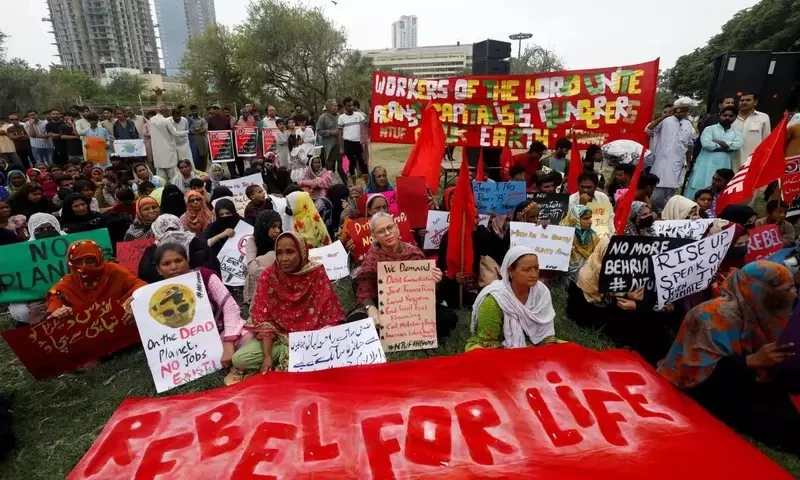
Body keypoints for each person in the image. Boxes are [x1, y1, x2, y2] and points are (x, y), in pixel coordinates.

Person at [657, 262, 800, 454]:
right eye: (787, 289)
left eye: (793, 287)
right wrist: (752, 362)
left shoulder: (771, 315)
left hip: (748, 382)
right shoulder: (709, 318)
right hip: (709, 391)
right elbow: (693, 378)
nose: (793, 294)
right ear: (759, 291)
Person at [233, 231, 344, 373]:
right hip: (279, 338)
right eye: (279, 252)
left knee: (333, 345)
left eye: (290, 252)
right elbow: (264, 320)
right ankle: (289, 354)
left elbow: (330, 314)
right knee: (240, 359)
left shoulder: (316, 273)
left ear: (302, 252)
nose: (283, 258)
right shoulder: (269, 276)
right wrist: (267, 356)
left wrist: (315, 340)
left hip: (312, 339)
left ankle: (295, 356)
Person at [356, 212, 458, 339]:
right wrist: (371, 308)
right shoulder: (372, 257)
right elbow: (364, 288)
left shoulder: (414, 252)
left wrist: (435, 280)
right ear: (374, 236)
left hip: (414, 307)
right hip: (385, 308)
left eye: (390, 228)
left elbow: (427, 289)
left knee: (449, 317)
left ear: (397, 229)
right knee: (359, 322)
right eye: (381, 231)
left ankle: (407, 330)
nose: (387, 233)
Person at [466, 246, 556, 351]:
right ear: (510, 271)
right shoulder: (495, 299)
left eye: (536, 268)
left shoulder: (542, 292)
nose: (534, 274)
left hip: (533, 343)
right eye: (526, 270)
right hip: (497, 347)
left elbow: (546, 336)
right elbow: (489, 342)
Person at [45, 240, 146, 325]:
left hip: (120, 325)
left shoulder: (113, 271)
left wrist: (135, 304)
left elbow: (141, 287)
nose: (84, 266)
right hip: (85, 336)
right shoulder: (65, 285)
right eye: (77, 262)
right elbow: (53, 306)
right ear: (70, 264)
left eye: (89, 261)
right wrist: (57, 313)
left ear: (99, 259)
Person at [8, 213, 64, 327]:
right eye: (40, 229)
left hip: (67, 289)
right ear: (33, 230)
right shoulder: (24, 252)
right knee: (19, 311)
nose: (46, 232)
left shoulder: (68, 242)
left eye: (50, 228)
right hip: (37, 295)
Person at [684, 105, 742, 200]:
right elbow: (707, 144)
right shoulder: (709, 129)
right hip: (705, 165)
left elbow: (737, 145)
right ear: (720, 115)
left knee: (719, 190)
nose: (727, 118)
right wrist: (727, 147)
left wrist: (718, 142)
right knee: (698, 187)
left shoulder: (737, 133)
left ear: (735, 117)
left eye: (731, 116)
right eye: (724, 115)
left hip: (723, 165)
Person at [647, 98, 694, 212]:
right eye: (679, 109)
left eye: (685, 110)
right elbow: (649, 129)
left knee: (672, 191)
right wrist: (665, 116)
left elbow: (689, 144)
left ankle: (666, 213)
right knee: (657, 189)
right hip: (661, 161)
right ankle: (653, 211)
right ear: (675, 109)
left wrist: (688, 161)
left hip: (678, 163)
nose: (681, 112)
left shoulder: (688, 124)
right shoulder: (665, 121)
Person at [138, 215, 209, 283]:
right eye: (165, 231)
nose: (170, 234)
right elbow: (145, 274)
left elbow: (210, 265)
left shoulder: (195, 242)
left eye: (174, 229)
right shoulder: (152, 250)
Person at [244, 210, 282, 306]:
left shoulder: (282, 239)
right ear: (264, 227)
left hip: (281, 280)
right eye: (273, 227)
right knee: (267, 257)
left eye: (279, 227)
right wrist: (275, 275)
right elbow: (252, 268)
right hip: (261, 281)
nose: (277, 230)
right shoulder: (253, 241)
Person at [731, 93, 772, 173]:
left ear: (755, 102)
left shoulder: (763, 117)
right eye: (742, 100)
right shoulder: (731, 117)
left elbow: (767, 140)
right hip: (733, 160)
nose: (744, 102)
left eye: (748, 100)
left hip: (754, 160)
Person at [560, 205, 599, 281]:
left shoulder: (593, 236)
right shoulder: (562, 235)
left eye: (590, 218)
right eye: (586, 218)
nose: (590, 221)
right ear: (575, 219)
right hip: (565, 279)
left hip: (589, 278)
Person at [338, 97, 368, 175]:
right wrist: (341, 148)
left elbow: (367, 124)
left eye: (352, 105)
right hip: (347, 142)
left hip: (357, 142)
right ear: (345, 106)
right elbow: (340, 133)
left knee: (361, 160)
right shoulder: (341, 118)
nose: (351, 107)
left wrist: (371, 114)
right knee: (351, 161)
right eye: (349, 106)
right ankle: (353, 181)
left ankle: (367, 180)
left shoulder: (358, 115)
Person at [149, 106, 180, 182]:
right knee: (173, 175)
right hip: (168, 151)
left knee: (161, 176)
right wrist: (185, 132)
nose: (169, 113)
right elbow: (175, 133)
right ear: (164, 112)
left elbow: (150, 133)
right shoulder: (165, 121)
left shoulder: (151, 120)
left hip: (157, 152)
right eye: (168, 111)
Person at [316, 99, 342, 181]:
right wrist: (330, 132)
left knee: (342, 165)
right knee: (330, 167)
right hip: (329, 146)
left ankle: (345, 181)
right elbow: (319, 130)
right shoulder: (322, 117)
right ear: (329, 107)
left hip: (340, 144)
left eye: (337, 105)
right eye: (335, 105)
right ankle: (330, 182)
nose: (337, 107)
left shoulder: (340, 116)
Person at [188, 105, 208, 171]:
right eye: (193, 111)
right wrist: (197, 130)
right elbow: (188, 130)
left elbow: (204, 129)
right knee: (195, 157)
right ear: (190, 111)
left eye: (195, 110)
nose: (194, 112)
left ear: (197, 110)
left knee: (203, 157)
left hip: (202, 140)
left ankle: (203, 171)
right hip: (192, 141)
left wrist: (195, 130)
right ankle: (196, 171)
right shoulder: (188, 120)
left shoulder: (202, 119)